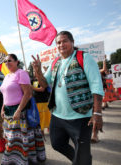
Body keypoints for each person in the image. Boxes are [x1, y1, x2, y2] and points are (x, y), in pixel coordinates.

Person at [32, 31, 104, 165]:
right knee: (57, 144)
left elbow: (96, 86)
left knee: (82, 154)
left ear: (72, 42)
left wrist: (97, 113)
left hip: (81, 116)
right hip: (58, 115)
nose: (61, 44)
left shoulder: (84, 57)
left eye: (64, 41)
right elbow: (44, 84)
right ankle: (82, 160)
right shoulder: (55, 62)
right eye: (58, 42)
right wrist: (37, 71)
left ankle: (82, 160)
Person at [0, 54, 46, 164]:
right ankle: (14, 160)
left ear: (17, 62)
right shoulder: (7, 76)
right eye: (5, 61)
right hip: (8, 112)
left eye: (10, 60)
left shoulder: (21, 73)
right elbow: (4, 94)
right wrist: (2, 108)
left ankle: (21, 160)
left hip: (20, 111)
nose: (7, 63)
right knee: (11, 139)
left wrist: (18, 110)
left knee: (17, 140)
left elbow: (28, 94)